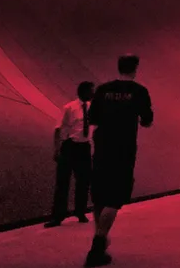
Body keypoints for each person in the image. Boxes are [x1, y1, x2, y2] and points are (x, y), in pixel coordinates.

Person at [84, 55, 154, 267]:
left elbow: (93, 119)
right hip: (123, 149)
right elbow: (147, 121)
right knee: (115, 197)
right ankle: (97, 243)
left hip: (102, 146)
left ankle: (101, 238)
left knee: (100, 195)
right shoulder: (140, 92)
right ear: (135, 69)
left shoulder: (103, 90)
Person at [45, 81, 94, 228]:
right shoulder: (69, 108)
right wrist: (56, 149)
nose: (93, 94)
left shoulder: (92, 108)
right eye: (91, 91)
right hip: (70, 146)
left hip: (84, 147)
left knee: (84, 181)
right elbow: (58, 129)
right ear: (83, 92)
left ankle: (80, 212)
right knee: (63, 182)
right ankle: (58, 216)